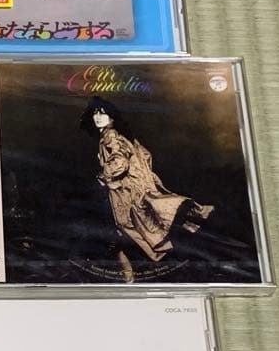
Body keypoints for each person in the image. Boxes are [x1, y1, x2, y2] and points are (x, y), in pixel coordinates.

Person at [79, 97, 214, 279]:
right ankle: (132, 275)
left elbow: (120, 162)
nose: (97, 116)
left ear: (112, 117)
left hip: (125, 194)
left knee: (128, 229)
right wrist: (140, 176)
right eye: (95, 113)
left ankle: (134, 275)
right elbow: (146, 155)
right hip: (129, 191)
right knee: (134, 228)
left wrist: (104, 175)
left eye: (102, 113)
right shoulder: (122, 136)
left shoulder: (110, 136)